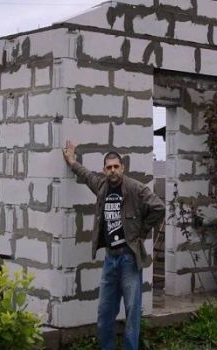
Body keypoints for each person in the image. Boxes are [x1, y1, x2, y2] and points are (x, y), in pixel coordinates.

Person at [62, 140, 165, 350]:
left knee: (132, 312)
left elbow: (158, 208)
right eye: (108, 167)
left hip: (128, 259)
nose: (112, 171)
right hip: (110, 259)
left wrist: (141, 233)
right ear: (104, 170)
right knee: (104, 313)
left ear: (122, 168)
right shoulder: (102, 187)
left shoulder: (135, 188)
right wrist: (72, 161)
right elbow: (86, 175)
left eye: (116, 166)